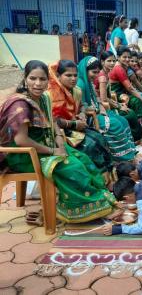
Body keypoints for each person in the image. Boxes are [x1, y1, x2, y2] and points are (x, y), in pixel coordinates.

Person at [0, 60, 118, 223]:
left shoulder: (43, 98)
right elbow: (21, 140)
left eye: (43, 79)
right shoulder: (20, 104)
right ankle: (80, 209)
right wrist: (53, 151)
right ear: (25, 78)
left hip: (45, 144)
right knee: (73, 169)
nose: (38, 84)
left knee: (84, 159)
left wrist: (60, 142)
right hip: (23, 155)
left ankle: (99, 201)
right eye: (33, 78)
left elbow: (53, 122)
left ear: (48, 80)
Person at [47, 60, 113, 172]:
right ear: (58, 76)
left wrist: (82, 113)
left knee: (99, 138)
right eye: (68, 75)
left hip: (75, 126)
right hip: (58, 132)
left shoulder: (76, 90)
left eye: (75, 75)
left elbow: (82, 105)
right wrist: (74, 124)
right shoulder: (51, 94)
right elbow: (52, 120)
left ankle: (108, 174)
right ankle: (98, 178)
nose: (73, 79)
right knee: (90, 145)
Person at [76, 56, 137, 161]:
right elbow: (81, 107)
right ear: (85, 70)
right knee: (114, 124)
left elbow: (97, 99)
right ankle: (120, 157)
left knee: (123, 120)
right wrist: (99, 111)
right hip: (89, 117)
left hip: (98, 111)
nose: (96, 75)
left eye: (97, 72)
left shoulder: (89, 82)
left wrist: (102, 110)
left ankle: (130, 151)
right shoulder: (80, 84)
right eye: (93, 72)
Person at [95, 51, 142, 141]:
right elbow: (103, 98)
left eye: (113, 61)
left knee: (130, 112)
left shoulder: (107, 73)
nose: (112, 63)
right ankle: (132, 138)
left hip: (108, 102)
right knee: (130, 115)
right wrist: (119, 106)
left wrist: (119, 104)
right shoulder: (102, 76)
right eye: (109, 61)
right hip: (101, 106)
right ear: (102, 62)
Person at [109, 46, 142, 126]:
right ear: (118, 57)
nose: (127, 59)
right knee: (137, 101)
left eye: (128, 57)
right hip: (116, 94)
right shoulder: (119, 68)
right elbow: (130, 88)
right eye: (124, 57)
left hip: (122, 92)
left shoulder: (124, 66)